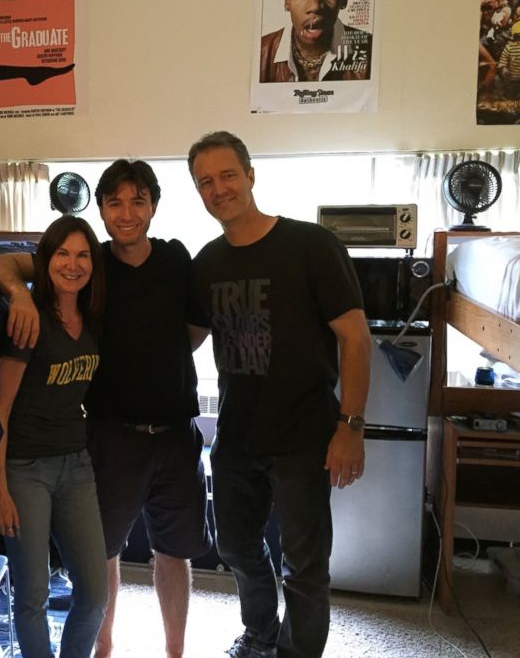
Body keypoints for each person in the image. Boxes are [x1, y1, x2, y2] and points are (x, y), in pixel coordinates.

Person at [0, 160, 211, 658]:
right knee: (100, 558)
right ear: (102, 210)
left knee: (174, 550)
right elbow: (0, 264)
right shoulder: (91, 264)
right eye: (115, 203)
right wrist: (17, 298)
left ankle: (175, 650)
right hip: (110, 435)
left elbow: (195, 332)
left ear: (153, 205)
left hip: (175, 433)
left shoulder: (176, 259)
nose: (127, 213)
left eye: (137, 201)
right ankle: (102, 648)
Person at [186, 131, 371, 658]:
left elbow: (355, 339)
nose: (218, 188)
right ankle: (261, 633)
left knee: (306, 566)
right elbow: (184, 340)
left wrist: (350, 429)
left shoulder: (311, 245)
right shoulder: (207, 262)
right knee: (235, 546)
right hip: (238, 436)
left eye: (226, 175)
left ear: (250, 174)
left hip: (305, 438)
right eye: (205, 181)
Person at [0, 214, 109, 658]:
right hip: (24, 470)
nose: (72, 265)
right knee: (33, 597)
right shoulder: (29, 320)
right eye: (62, 254)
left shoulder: (94, 318)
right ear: (45, 260)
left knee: (95, 595)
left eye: (82, 255)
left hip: (76, 466)